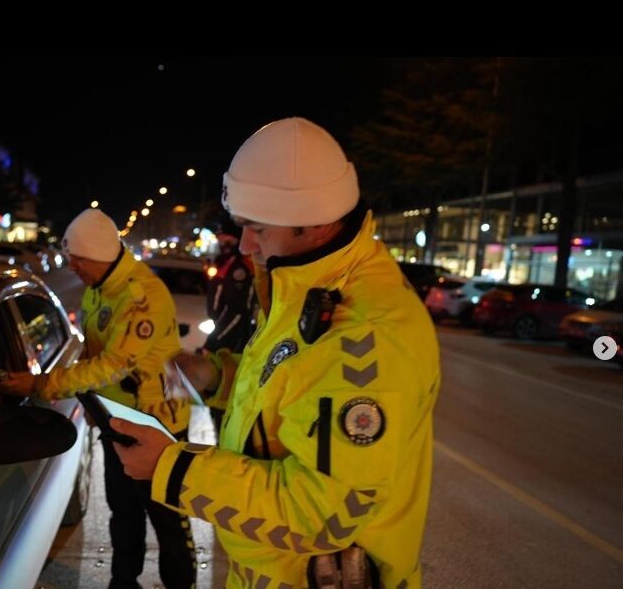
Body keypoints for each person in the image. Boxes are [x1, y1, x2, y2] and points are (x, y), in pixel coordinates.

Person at [112, 117, 441, 589]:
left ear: (317, 222)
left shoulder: (365, 337)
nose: (245, 245)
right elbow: (291, 386)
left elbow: (322, 513)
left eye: (257, 228)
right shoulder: (307, 281)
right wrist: (216, 377)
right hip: (271, 567)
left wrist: (172, 467)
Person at [0, 208, 196, 589]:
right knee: (123, 510)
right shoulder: (97, 289)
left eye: (77, 259)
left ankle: (180, 585)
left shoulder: (141, 297)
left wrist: (43, 384)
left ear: (99, 256)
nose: (71, 266)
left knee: (168, 516)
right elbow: (91, 353)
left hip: (158, 423)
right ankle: (124, 582)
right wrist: (93, 403)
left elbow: (113, 365)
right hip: (118, 419)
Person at [202, 213, 256, 355]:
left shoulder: (239, 269)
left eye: (227, 238)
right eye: (220, 237)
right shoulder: (225, 263)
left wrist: (213, 342)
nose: (222, 241)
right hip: (222, 331)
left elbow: (236, 312)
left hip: (232, 341)